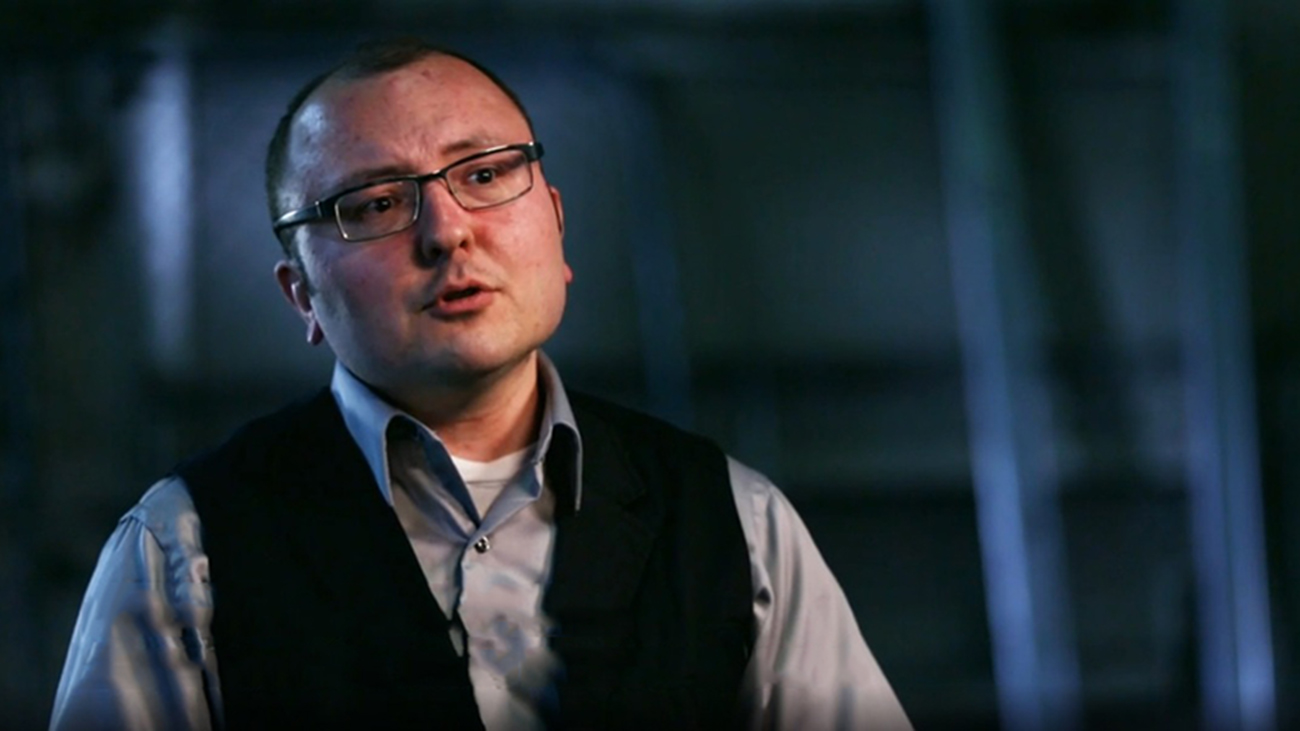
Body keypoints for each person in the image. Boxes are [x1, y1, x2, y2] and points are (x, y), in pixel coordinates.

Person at [49, 39, 911, 731]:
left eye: (487, 173)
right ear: (301, 294)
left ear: (557, 225)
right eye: (375, 203)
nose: (447, 231)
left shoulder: (734, 519)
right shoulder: (185, 549)